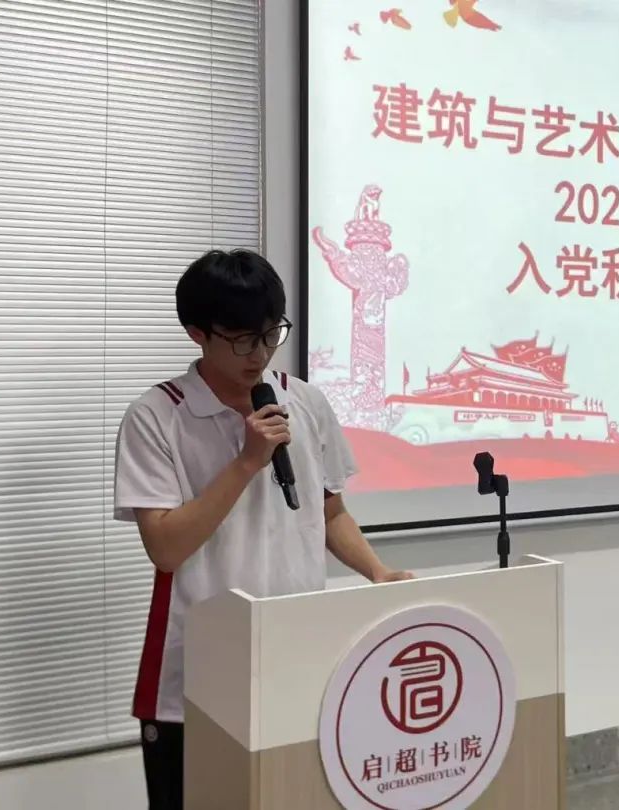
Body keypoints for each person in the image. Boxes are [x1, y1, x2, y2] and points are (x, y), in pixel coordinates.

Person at [112, 249, 413, 809]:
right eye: (242, 339)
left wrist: (377, 571)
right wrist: (248, 461)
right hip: (198, 675)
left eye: (271, 333)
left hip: (297, 657)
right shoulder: (156, 416)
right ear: (197, 333)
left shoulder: (305, 401)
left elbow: (330, 513)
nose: (261, 353)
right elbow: (167, 548)